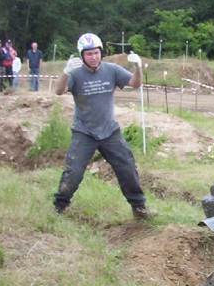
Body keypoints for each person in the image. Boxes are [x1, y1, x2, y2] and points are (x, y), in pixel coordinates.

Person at [53, 33, 156, 219]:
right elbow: (59, 91)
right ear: (82, 56)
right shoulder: (76, 73)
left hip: (110, 131)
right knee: (73, 171)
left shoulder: (112, 70)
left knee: (127, 167)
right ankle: (59, 208)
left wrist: (137, 67)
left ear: (101, 52)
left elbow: (135, 84)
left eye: (96, 53)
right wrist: (65, 72)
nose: (93, 57)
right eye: (89, 54)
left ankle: (139, 207)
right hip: (84, 131)